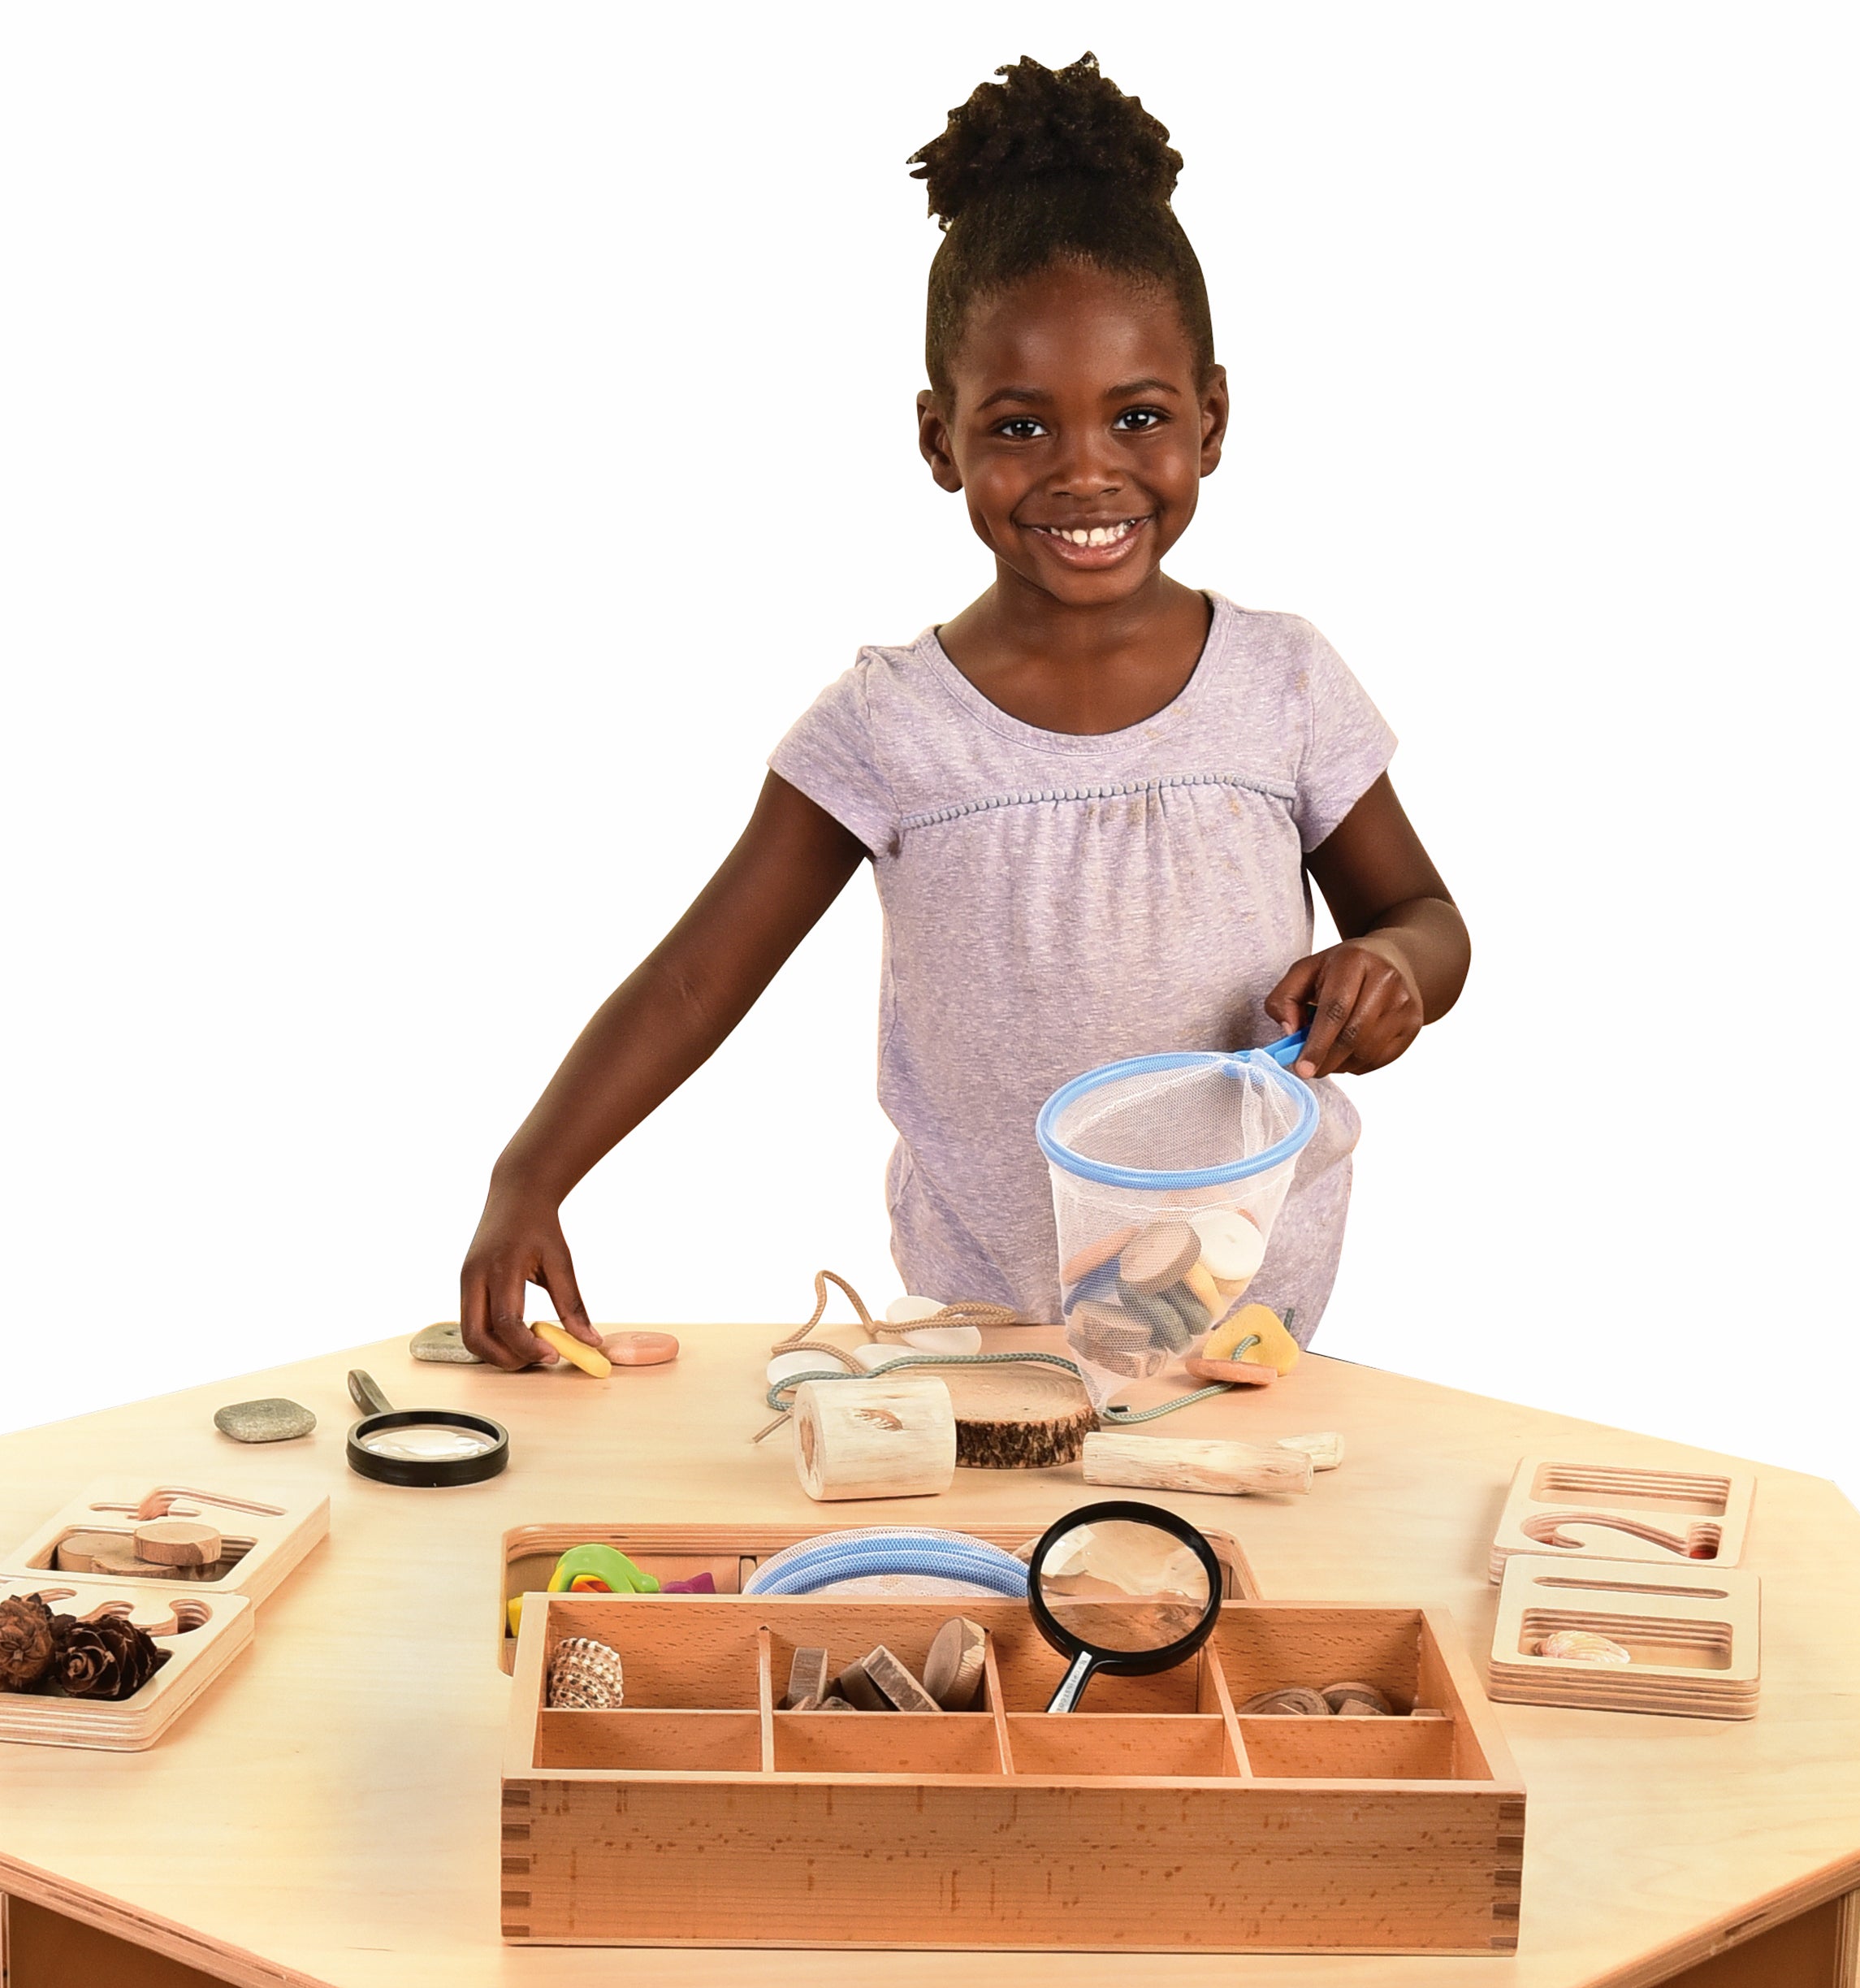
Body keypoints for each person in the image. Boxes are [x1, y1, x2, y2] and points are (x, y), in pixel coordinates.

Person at [460, 53, 1467, 1370]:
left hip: (1249, 1319)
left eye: (1139, 415)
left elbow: (1428, 919)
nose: (1087, 469)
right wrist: (528, 1176)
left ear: (1212, 420)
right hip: (980, 1333)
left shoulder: (1283, 683)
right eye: (1020, 427)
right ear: (939, 440)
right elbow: (701, 976)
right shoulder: (888, 728)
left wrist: (1389, 975)